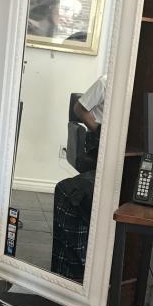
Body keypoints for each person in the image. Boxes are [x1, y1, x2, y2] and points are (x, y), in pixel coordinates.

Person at [52, 74, 106, 280]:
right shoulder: (105, 82)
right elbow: (79, 108)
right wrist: (99, 130)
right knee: (71, 195)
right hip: (98, 138)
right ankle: (70, 274)